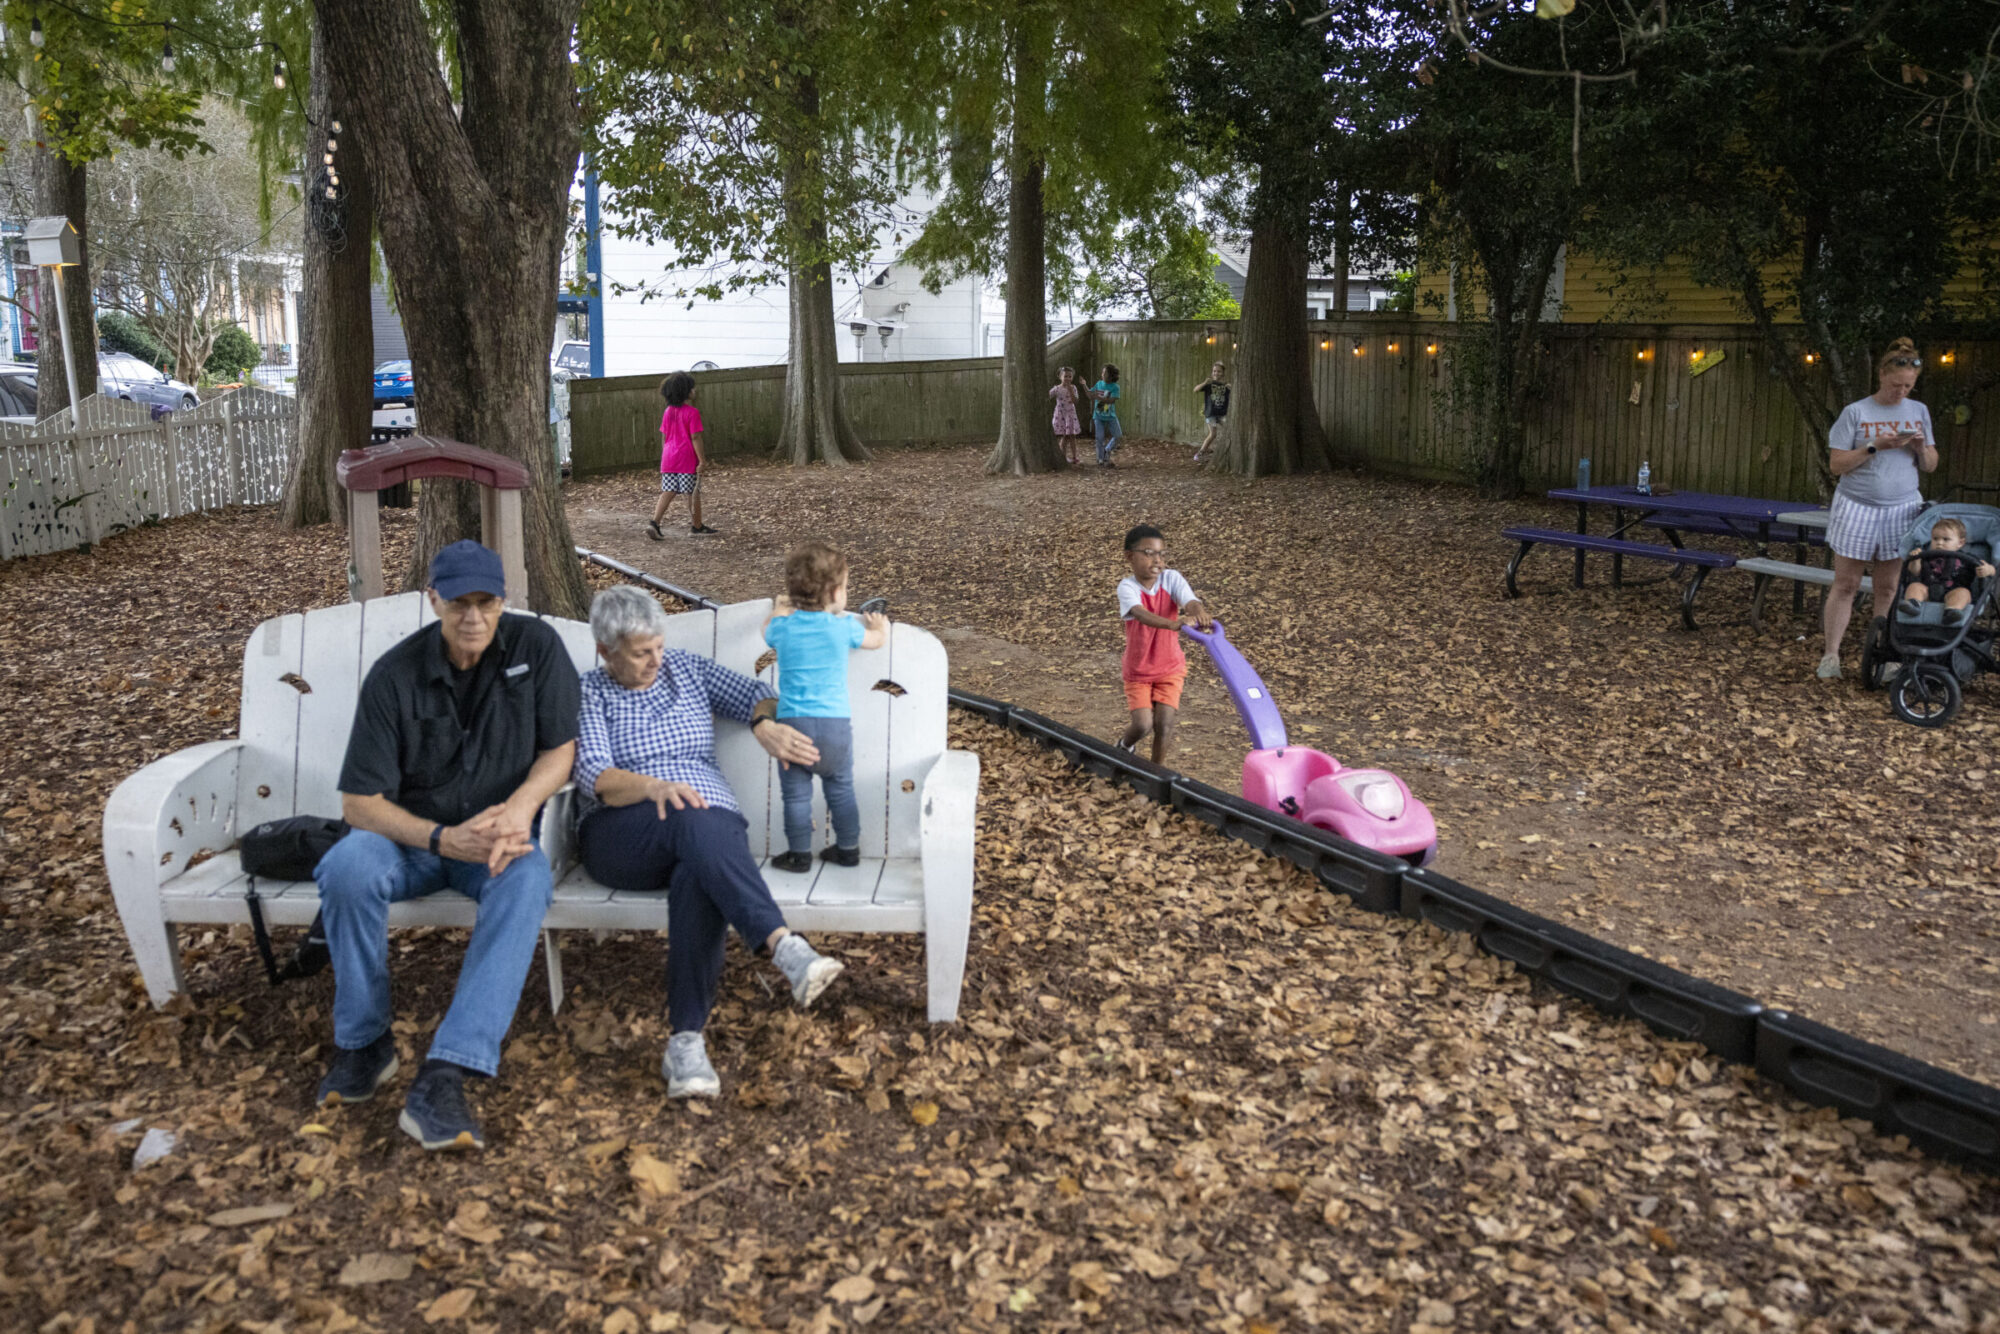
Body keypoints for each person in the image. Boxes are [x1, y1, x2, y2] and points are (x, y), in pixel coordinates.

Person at [313, 540, 581, 1152]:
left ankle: (448, 1069)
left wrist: (520, 809)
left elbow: (559, 750)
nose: (473, 617)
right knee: (345, 867)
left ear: (502, 600)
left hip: (494, 842)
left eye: (485, 602)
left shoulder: (536, 650)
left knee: (526, 881)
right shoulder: (394, 675)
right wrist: (438, 838)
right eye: (458, 602)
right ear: (433, 600)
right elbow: (359, 804)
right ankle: (364, 1045)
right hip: (408, 840)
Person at [574, 585, 846, 1099]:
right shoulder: (591, 690)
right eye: (640, 653)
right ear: (605, 652)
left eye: (658, 646)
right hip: (622, 833)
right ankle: (784, 947)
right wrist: (653, 787)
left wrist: (764, 724)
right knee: (690, 814)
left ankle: (686, 1044)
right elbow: (596, 777)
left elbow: (757, 695)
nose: (656, 660)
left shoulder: (686, 670)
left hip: (705, 830)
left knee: (697, 866)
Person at [763, 543, 888, 873]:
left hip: (793, 727)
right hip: (834, 727)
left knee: (796, 798)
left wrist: (780, 608)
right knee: (841, 790)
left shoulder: (783, 628)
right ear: (835, 592)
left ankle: (799, 854)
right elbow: (875, 642)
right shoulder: (843, 627)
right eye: (845, 587)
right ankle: (848, 849)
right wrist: (879, 628)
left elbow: (767, 631)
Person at [1819, 338, 1937, 679]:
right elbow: (1837, 464)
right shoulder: (1856, 412)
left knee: (1888, 587)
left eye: (1909, 386)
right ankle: (1831, 656)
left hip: (1900, 509)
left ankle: (1882, 656)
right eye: (1896, 384)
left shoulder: (1919, 412)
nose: (1902, 392)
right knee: (1846, 584)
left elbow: (1930, 464)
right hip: (1857, 505)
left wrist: (1919, 447)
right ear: (1882, 375)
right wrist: (1875, 446)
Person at [1116, 524, 1211, 763]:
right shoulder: (1127, 587)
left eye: (1161, 553)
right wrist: (1172, 624)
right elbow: (1139, 613)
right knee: (1143, 724)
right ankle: (1124, 745)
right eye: (1149, 553)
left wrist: (1198, 612)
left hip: (1170, 668)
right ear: (1130, 556)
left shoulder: (1171, 578)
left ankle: (1156, 774)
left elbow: (1189, 600)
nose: (1157, 560)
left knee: (1165, 724)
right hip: (1139, 670)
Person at [649, 371, 716, 539]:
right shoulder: (692, 413)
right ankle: (697, 526)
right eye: (692, 388)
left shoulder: (668, 412)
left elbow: (664, 436)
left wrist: (666, 452)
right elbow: (695, 437)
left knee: (668, 491)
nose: (695, 390)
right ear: (686, 392)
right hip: (686, 458)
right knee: (692, 492)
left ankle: (654, 523)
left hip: (668, 457)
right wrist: (702, 460)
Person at [1900, 517, 1995, 623]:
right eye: (1935, 539)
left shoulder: (1967, 558)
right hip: (1927, 591)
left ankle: (1952, 611)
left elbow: (1991, 569)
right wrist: (1916, 560)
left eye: (1946, 539)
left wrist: (1988, 569)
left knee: (1964, 593)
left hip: (1954, 591)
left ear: (1960, 543)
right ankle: (1913, 605)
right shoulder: (1926, 556)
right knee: (1914, 586)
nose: (1939, 543)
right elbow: (1915, 571)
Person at [1193, 362, 1230, 462]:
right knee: (1213, 434)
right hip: (1211, 413)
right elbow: (1195, 390)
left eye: (1219, 371)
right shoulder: (1209, 385)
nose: (1216, 373)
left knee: (1230, 430)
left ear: (1223, 373)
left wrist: (1231, 388)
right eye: (1214, 371)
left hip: (1222, 413)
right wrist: (1205, 383)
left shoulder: (1226, 386)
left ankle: (1225, 451)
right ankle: (1200, 453)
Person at [1050, 366, 1085, 466]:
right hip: (1061, 415)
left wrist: (1070, 390)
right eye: (1065, 376)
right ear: (1060, 377)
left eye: (1070, 376)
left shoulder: (1073, 388)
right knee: (1064, 437)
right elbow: (1047, 396)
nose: (1068, 378)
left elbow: (1076, 401)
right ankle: (1063, 457)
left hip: (1070, 414)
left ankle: (1074, 457)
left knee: (1072, 436)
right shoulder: (1056, 389)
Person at [1090, 364, 1123, 469]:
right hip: (1098, 416)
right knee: (1099, 437)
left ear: (1111, 375)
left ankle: (1107, 450)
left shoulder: (1115, 387)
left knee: (1118, 436)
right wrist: (1084, 386)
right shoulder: (1099, 384)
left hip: (1110, 416)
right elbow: (1091, 393)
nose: (1102, 374)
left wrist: (1098, 397)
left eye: (1105, 373)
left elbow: (1111, 400)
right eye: (1102, 372)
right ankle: (1100, 458)